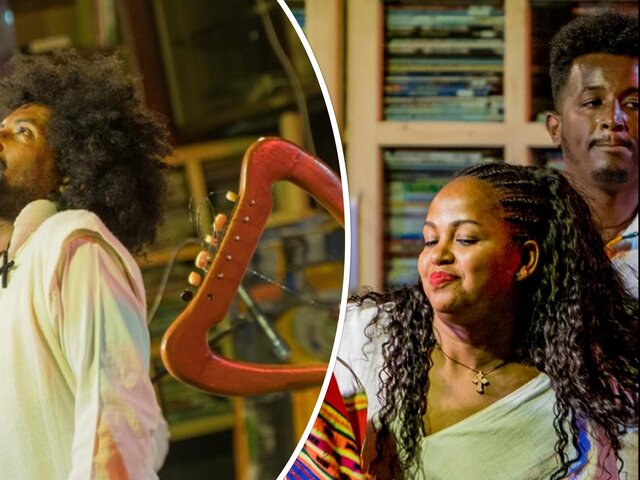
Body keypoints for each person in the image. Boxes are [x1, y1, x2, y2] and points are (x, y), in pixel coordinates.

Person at [332, 162, 638, 479]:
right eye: (430, 240)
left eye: (465, 239)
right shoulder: (366, 335)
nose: (438, 255)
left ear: (525, 260)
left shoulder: (584, 403)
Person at [0, 50, 171, 479]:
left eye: (22, 132)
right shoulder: (12, 270)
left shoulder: (74, 242)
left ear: (72, 171)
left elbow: (113, 424)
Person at [545, 10, 638, 297]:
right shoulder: (518, 236)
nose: (614, 118)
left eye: (634, 104)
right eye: (593, 102)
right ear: (555, 129)